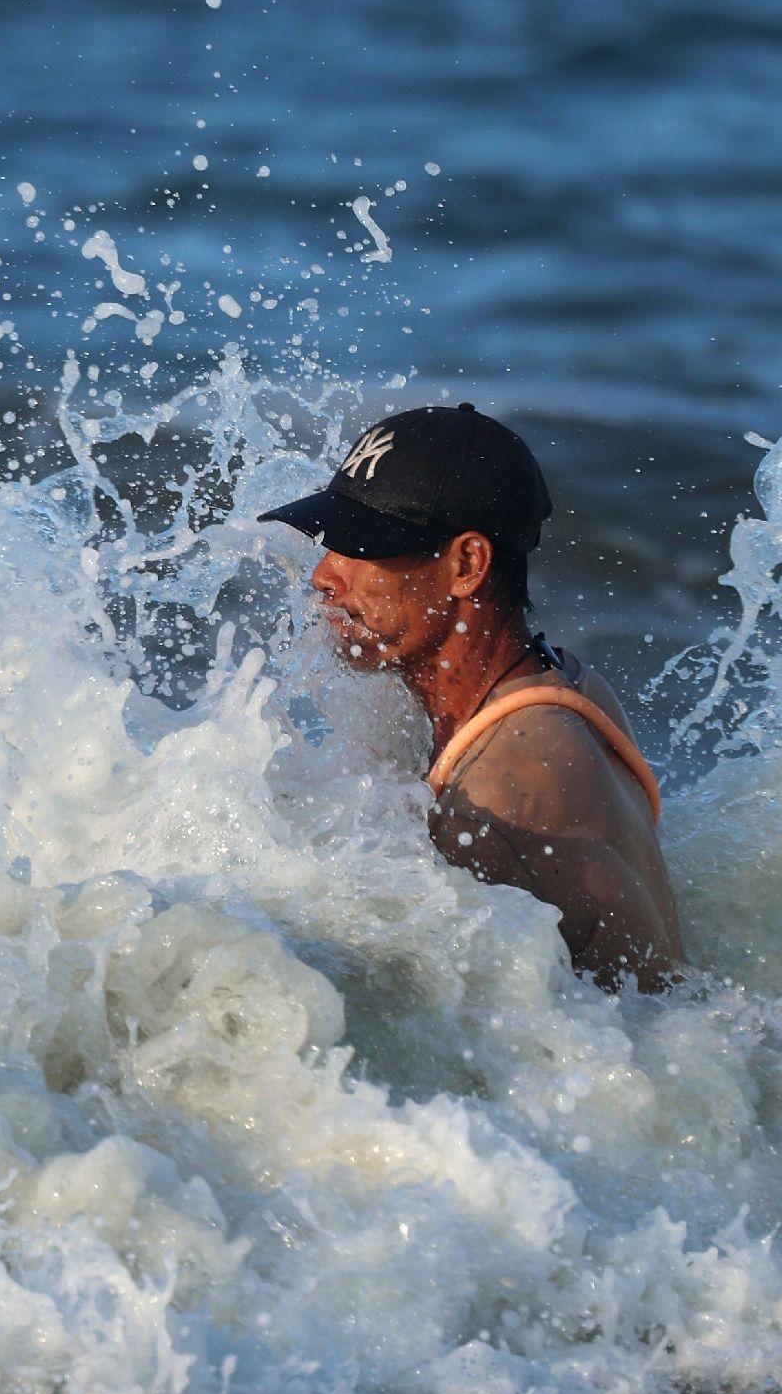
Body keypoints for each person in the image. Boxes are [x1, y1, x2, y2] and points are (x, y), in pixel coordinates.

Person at [263, 403, 682, 991]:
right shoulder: (570, 685)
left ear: (467, 564)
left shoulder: (492, 798)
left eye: (361, 548)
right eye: (331, 545)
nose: (325, 577)